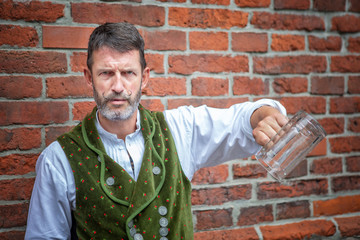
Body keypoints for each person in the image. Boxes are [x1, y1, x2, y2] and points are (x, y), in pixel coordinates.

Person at [25, 22, 287, 240]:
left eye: (128, 72)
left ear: (145, 78)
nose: (118, 86)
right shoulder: (58, 159)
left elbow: (239, 120)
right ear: (88, 77)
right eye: (106, 73)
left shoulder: (179, 130)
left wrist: (263, 116)